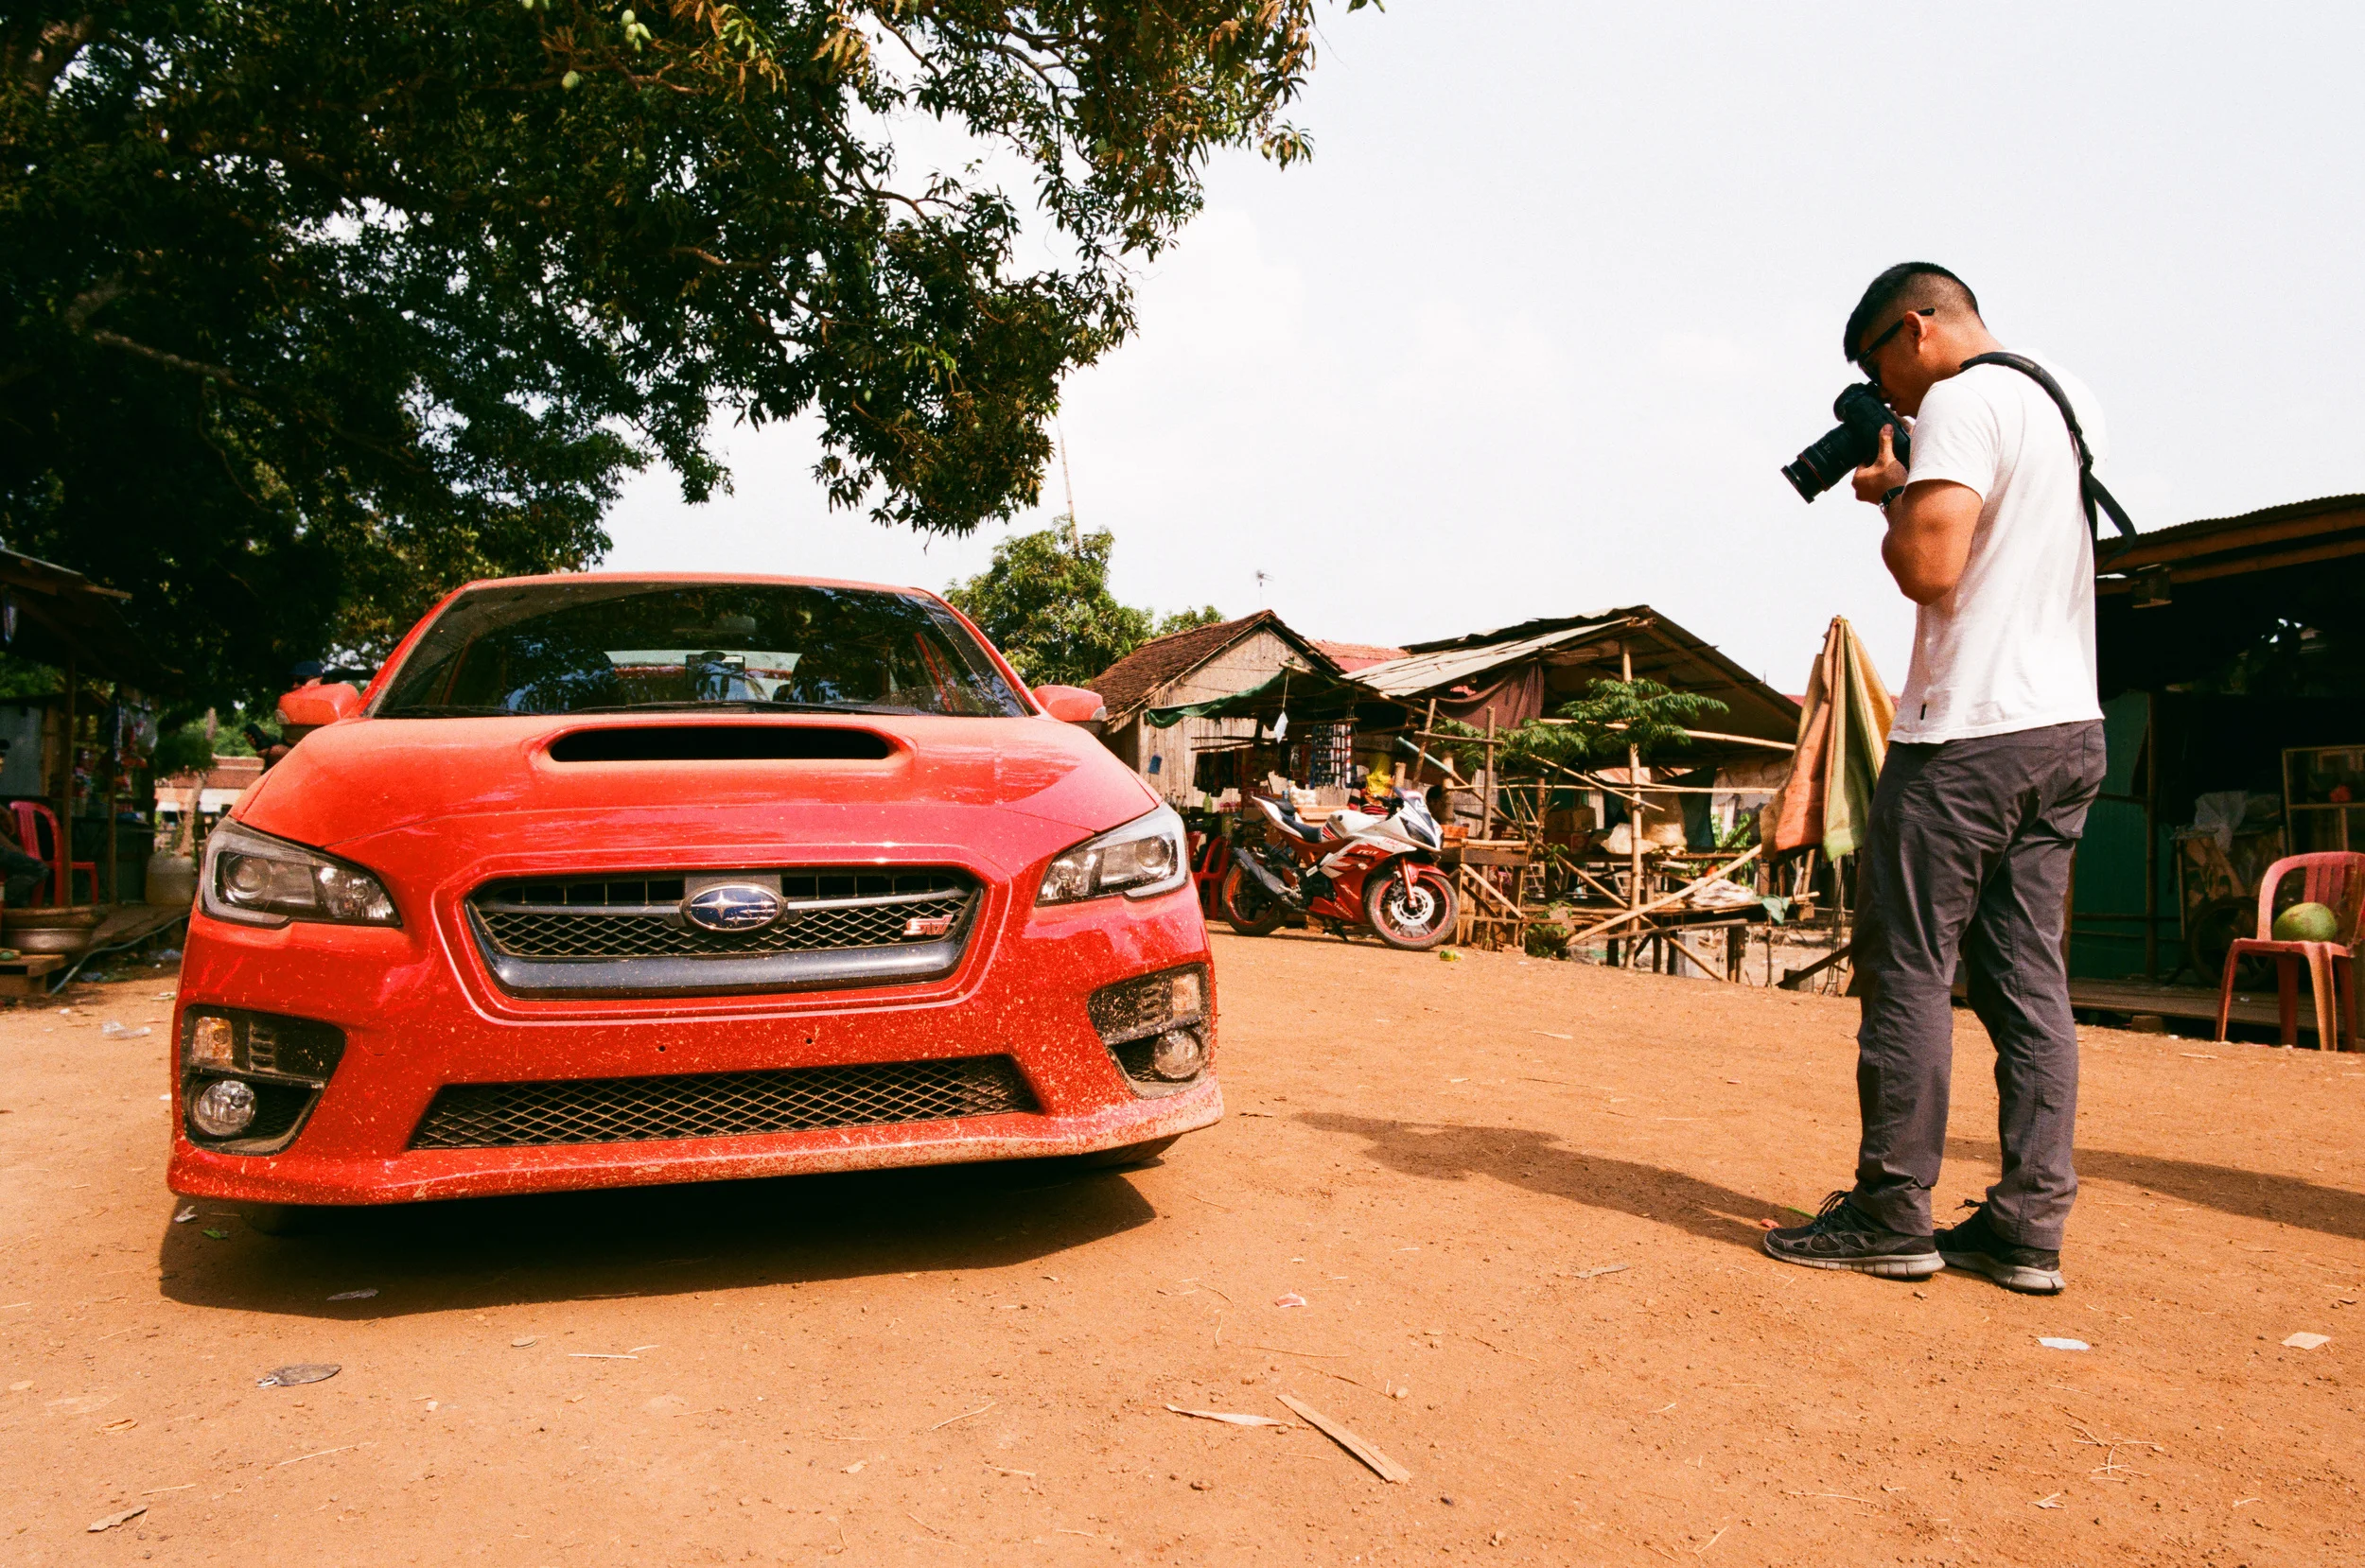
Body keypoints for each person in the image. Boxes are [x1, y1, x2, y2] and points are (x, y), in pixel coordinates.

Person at [1763, 263, 2110, 1296]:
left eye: (1882, 366)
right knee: (2026, 981)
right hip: (2064, 729)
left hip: (1967, 735)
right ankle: (2024, 1225)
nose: (1892, 395)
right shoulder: (2057, 392)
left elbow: (1928, 567)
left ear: (1916, 328)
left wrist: (1886, 492)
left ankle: (1890, 1208)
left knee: (1906, 965)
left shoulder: (1960, 399)